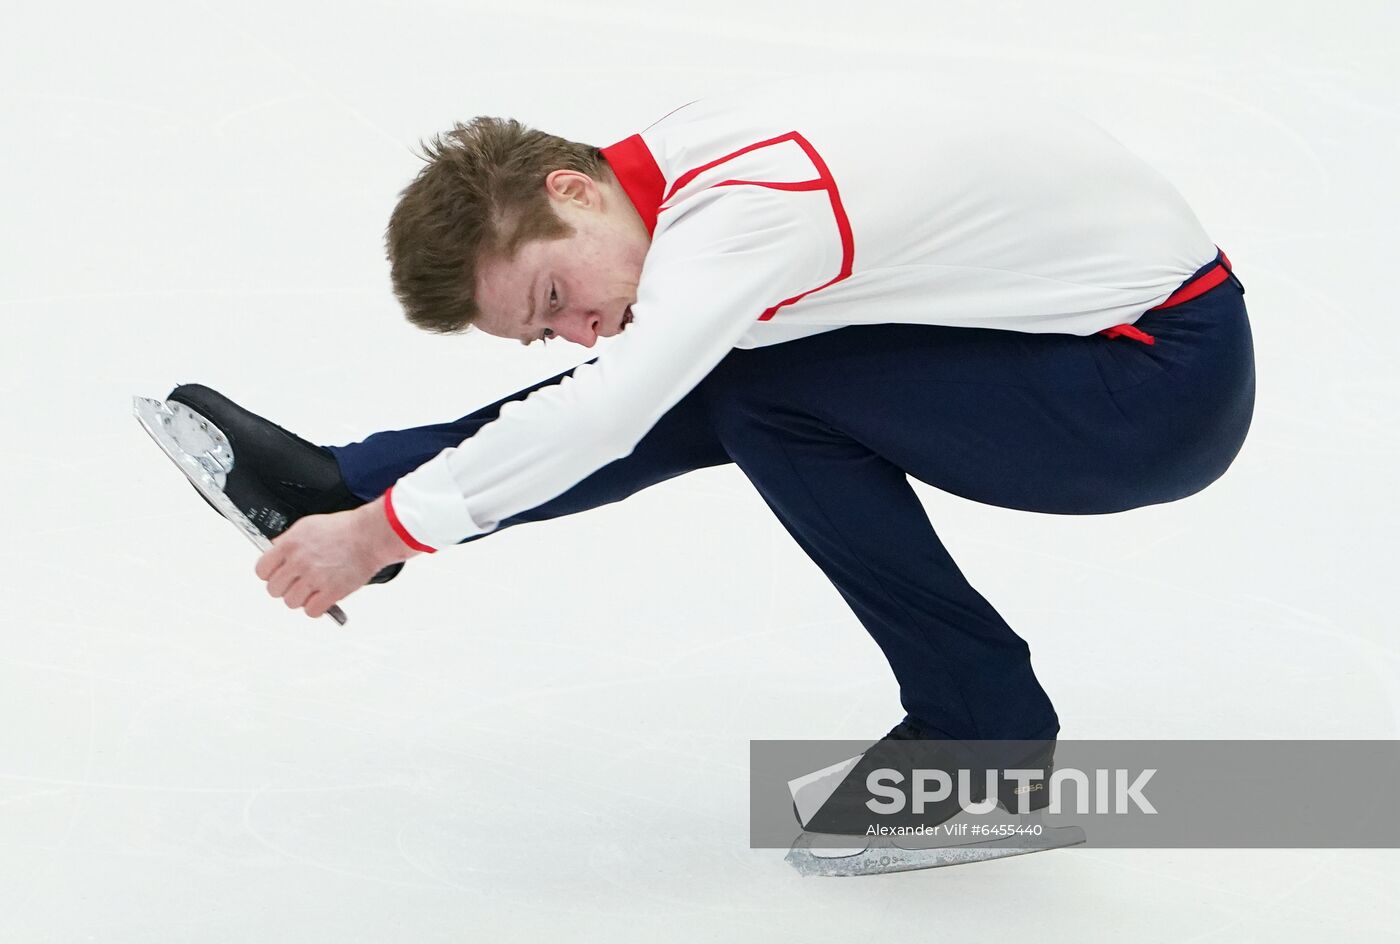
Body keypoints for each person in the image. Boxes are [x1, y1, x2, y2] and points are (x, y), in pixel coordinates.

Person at [169, 69, 1255, 757]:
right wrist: (388, 507)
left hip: (1149, 385)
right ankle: (341, 474)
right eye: (547, 331)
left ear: (572, 190)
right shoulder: (677, 166)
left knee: (751, 393)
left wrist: (380, 535)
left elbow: (608, 414)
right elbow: (619, 387)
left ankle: (984, 735)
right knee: (725, 378)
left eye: (554, 298)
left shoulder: (741, 212)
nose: (583, 330)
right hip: (1062, 341)